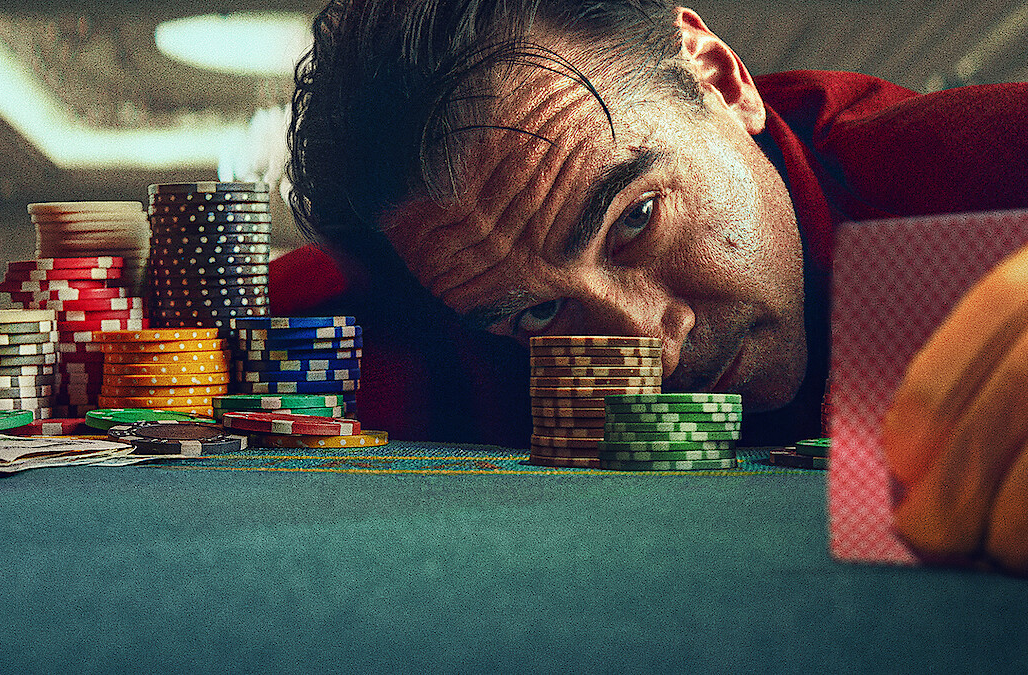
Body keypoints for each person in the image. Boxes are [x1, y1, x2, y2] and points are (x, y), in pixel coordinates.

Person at [269, 0, 1028, 572]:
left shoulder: (989, 176)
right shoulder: (427, 295)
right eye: (539, 311)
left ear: (720, 79)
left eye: (634, 218)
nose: (647, 353)